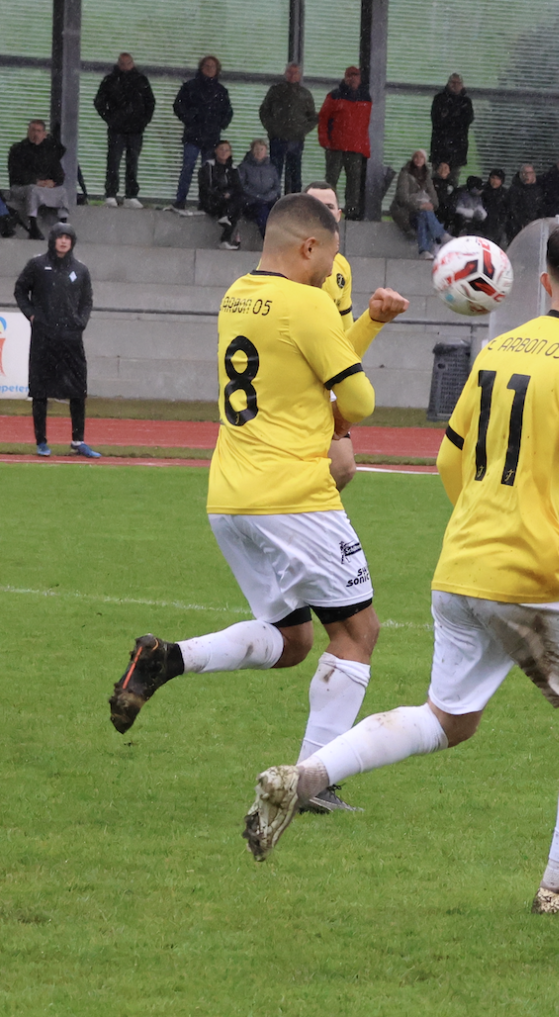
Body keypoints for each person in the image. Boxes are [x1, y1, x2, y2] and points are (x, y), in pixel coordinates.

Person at [242, 219, 559, 919]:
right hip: (537, 577)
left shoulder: (500, 348)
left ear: (543, 282)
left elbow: (448, 458)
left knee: (448, 719)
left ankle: (304, 776)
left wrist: (486, 524)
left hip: (462, 563)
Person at [109, 195, 410, 821]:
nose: (332, 272)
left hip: (231, 496)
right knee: (358, 634)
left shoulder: (237, 295)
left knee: (294, 639)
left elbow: (307, 366)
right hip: (294, 497)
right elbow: (357, 400)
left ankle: (167, 659)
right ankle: (314, 781)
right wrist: (351, 373)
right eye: (330, 259)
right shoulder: (308, 303)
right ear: (308, 247)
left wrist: (368, 322)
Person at [303, 181, 410, 493]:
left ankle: (300, 515)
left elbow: (344, 343)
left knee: (341, 468)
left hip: (324, 374)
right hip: (291, 379)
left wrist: (373, 320)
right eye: (313, 206)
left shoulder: (341, 268)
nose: (322, 213)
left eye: (328, 207)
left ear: (338, 215)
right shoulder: (287, 266)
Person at [15, 222, 97, 458]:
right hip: (44, 337)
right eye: (60, 237)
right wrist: (32, 315)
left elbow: (87, 300)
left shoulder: (80, 270)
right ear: (53, 240)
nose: (63, 241)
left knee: (78, 390)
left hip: (71, 338)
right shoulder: (37, 265)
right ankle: (41, 442)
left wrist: (80, 322)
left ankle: (78, 441)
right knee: (40, 390)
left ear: (72, 242)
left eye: (67, 238)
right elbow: (20, 290)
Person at [94, 52, 155, 209]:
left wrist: (143, 121)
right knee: (113, 161)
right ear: (118, 64)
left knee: (132, 162)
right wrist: (111, 119)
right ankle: (111, 194)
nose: (126, 67)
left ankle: (131, 195)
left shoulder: (141, 81)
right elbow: (99, 102)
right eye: (123, 63)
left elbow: (150, 103)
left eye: (128, 63)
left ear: (132, 63)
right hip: (117, 129)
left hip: (135, 129)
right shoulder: (110, 80)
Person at [172, 56, 232, 214]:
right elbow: (178, 106)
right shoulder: (190, 87)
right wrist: (190, 118)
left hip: (211, 138)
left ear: (217, 70)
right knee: (187, 169)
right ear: (201, 67)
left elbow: (228, 112)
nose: (209, 69)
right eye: (207, 66)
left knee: (208, 173)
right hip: (193, 136)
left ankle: (205, 203)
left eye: (212, 66)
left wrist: (219, 124)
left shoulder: (221, 91)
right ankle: (180, 201)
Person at [317, 66, 371, 220]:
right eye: (350, 76)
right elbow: (323, 119)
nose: (353, 79)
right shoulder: (335, 96)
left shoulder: (364, 97)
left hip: (354, 146)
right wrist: (325, 140)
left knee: (353, 181)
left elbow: (363, 125)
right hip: (336, 146)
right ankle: (328, 208)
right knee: (333, 179)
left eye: (356, 75)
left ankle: (351, 211)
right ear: (345, 78)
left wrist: (364, 146)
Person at [259, 64, 317, 196]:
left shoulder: (305, 94)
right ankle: (274, 200)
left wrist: (301, 130)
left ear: (299, 75)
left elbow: (312, 118)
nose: (292, 75)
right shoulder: (275, 91)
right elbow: (264, 111)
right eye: (290, 72)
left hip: (296, 139)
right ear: (285, 73)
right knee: (275, 173)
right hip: (277, 138)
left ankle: (294, 201)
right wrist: (272, 128)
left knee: (295, 174)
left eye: (295, 73)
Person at [6, 121, 71, 239]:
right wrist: (35, 181)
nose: (35, 134)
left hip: (44, 187)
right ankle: (33, 226)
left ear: (44, 134)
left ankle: (63, 225)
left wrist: (53, 182)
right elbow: (16, 173)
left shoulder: (49, 151)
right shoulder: (18, 149)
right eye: (33, 130)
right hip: (22, 187)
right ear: (28, 132)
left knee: (62, 191)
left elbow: (59, 173)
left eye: (39, 131)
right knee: (33, 190)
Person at [391, 150, 447, 258]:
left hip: (420, 213)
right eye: (416, 157)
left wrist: (431, 205)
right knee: (423, 212)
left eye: (421, 157)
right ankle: (441, 235)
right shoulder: (405, 173)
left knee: (423, 215)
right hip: (406, 212)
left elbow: (434, 198)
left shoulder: (426, 175)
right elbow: (402, 197)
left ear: (425, 160)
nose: (418, 159)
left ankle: (424, 251)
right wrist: (420, 206)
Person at [197, 140, 246, 250]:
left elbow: (237, 187)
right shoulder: (208, 166)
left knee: (239, 201)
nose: (224, 152)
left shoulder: (233, 169)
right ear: (216, 151)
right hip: (211, 201)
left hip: (227, 203)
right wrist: (220, 195)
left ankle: (225, 232)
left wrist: (229, 193)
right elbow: (205, 187)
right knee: (233, 210)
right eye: (221, 149)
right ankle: (225, 238)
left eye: (227, 150)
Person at [429, 74, 474, 179]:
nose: (455, 85)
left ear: (462, 85)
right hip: (439, 147)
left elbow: (467, 120)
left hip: (458, 148)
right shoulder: (439, 99)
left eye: (458, 83)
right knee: (436, 179)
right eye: (453, 82)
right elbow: (437, 120)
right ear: (448, 84)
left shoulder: (466, 102)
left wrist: (449, 118)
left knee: (453, 179)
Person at [238, 139, 281, 241]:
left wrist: (268, 196)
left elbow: (277, 186)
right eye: (256, 149)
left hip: (269, 200)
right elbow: (242, 186)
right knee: (263, 213)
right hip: (251, 203)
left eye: (261, 149)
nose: (259, 152)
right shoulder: (244, 167)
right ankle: (269, 240)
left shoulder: (271, 168)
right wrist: (258, 197)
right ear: (252, 150)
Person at [480, 168, 508, 245]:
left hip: (497, 227)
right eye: (493, 178)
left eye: (498, 179)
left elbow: (507, 211)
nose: (495, 181)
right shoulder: (483, 191)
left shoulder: (505, 194)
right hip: (482, 226)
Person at [431, 161, 459, 234]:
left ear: (449, 171)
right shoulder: (432, 182)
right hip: (437, 209)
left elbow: (454, 198)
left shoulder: (452, 184)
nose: (443, 170)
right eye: (441, 167)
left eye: (445, 168)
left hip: (448, 210)